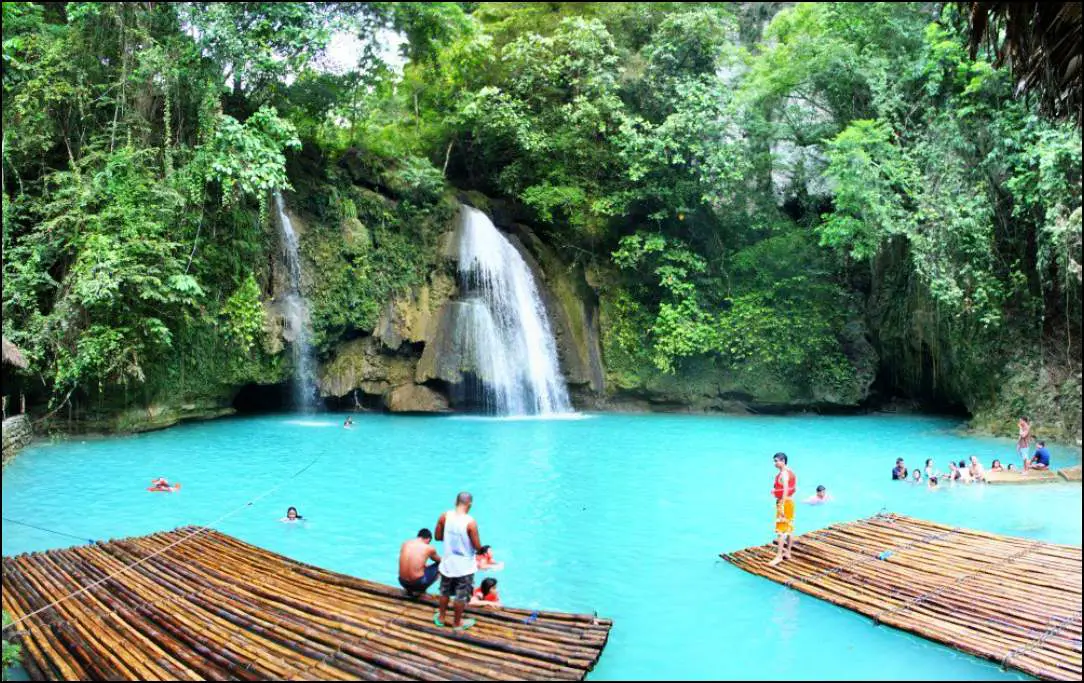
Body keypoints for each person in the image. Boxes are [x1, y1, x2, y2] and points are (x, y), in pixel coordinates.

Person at [435, 492, 483, 630]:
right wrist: (481, 550)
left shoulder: (444, 516)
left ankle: (441, 617)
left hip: (448, 563)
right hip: (465, 567)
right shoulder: (470, 522)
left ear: (456, 502)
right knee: (461, 595)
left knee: (444, 591)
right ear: (470, 504)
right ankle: (457, 623)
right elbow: (477, 546)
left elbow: (438, 536)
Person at [769, 452, 796, 568]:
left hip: (784, 503)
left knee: (781, 531)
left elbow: (785, 489)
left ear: (783, 461)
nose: (775, 463)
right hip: (790, 502)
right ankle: (788, 552)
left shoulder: (784, 474)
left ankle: (779, 556)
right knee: (789, 528)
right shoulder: (790, 471)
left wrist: (781, 504)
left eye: (776, 461)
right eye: (774, 461)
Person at [398, 528, 441, 596]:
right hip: (418, 584)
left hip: (402, 581)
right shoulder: (429, 548)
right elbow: (440, 560)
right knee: (441, 566)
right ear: (428, 539)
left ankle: (409, 591)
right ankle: (421, 591)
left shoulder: (406, 543)